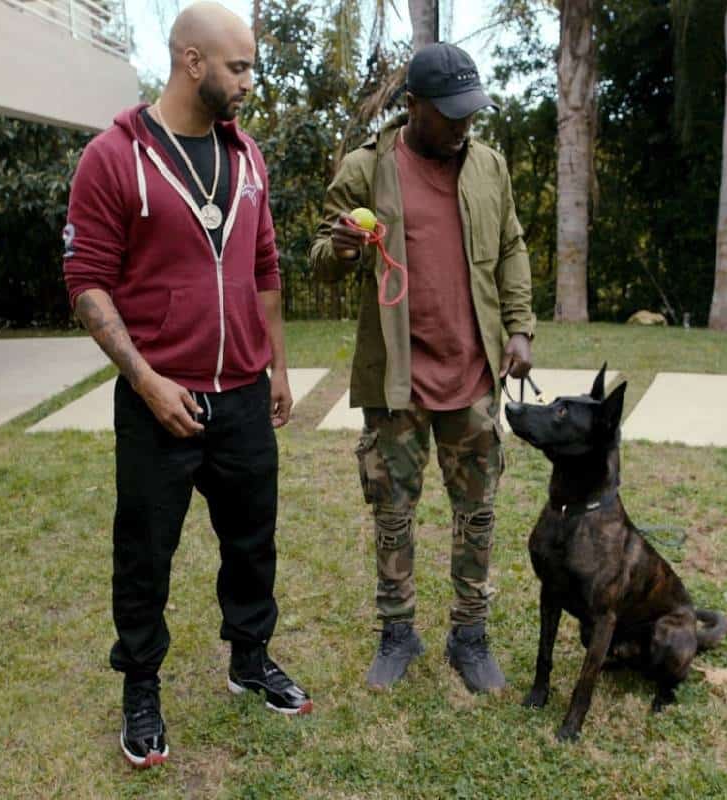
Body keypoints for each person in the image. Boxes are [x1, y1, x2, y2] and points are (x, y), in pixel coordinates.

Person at [62, 1, 312, 770]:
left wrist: (276, 362)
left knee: (252, 542)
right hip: (157, 403)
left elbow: (266, 266)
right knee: (145, 554)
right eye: (238, 68)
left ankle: (249, 657)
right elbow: (85, 283)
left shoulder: (249, 158)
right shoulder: (114, 157)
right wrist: (145, 382)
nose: (248, 84)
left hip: (241, 394)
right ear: (192, 62)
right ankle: (141, 685)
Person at [310, 42, 535, 695]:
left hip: (472, 374)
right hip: (398, 380)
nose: (465, 124)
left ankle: (470, 638)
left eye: (471, 112)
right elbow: (321, 258)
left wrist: (519, 327)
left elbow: (512, 247)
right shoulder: (366, 170)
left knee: (478, 513)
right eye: (451, 113)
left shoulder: (489, 167)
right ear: (413, 107)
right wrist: (345, 250)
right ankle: (397, 635)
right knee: (393, 513)